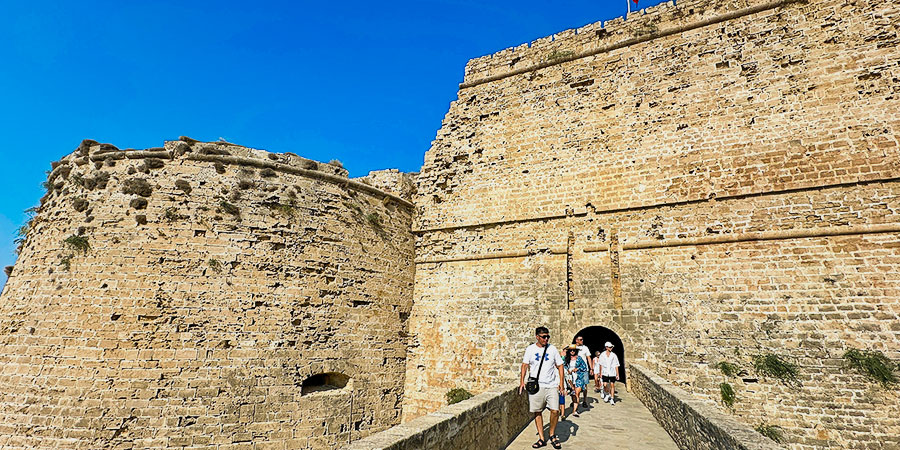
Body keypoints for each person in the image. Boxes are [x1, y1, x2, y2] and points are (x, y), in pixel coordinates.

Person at [519, 327, 565, 449]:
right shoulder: (530, 349)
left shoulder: (552, 349)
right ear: (537, 337)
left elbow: (560, 366)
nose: (546, 339)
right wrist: (522, 382)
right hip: (536, 386)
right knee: (537, 411)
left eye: (547, 336)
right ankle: (541, 438)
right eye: (544, 337)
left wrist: (561, 383)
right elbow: (524, 365)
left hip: (551, 385)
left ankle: (552, 434)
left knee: (555, 410)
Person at [562, 345, 587, 419]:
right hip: (570, 379)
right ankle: (575, 405)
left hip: (579, 378)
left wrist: (577, 369)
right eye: (570, 350)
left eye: (573, 350)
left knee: (577, 393)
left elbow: (584, 367)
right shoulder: (567, 359)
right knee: (573, 395)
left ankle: (574, 410)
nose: (572, 351)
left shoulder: (579, 358)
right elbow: (563, 366)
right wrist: (568, 370)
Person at [573, 335, 593, 407]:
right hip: (575, 370)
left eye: (582, 339)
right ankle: (575, 400)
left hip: (584, 370)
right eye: (580, 339)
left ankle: (584, 400)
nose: (582, 341)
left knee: (584, 386)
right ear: (576, 340)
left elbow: (588, 358)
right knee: (575, 385)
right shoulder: (573, 348)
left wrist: (591, 368)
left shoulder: (585, 348)